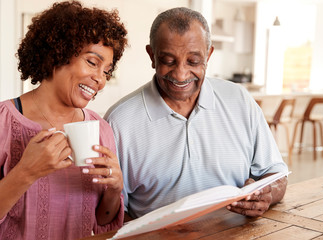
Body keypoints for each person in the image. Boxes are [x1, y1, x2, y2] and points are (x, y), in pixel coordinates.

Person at [105, 7, 288, 220]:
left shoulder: (239, 101)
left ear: (208, 55)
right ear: (152, 56)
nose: (181, 75)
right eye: (168, 61)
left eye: (193, 61)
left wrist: (266, 194)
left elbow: (277, 175)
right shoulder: (119, 121)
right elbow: (111, 215)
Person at [0, 1, 127, 239]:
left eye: (107, 71)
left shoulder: (101, 129)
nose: (100, 79)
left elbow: (103, 221)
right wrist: (26, 172)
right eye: (92, 62)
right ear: (57, 53)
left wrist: (114, 189)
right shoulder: (4, 121)